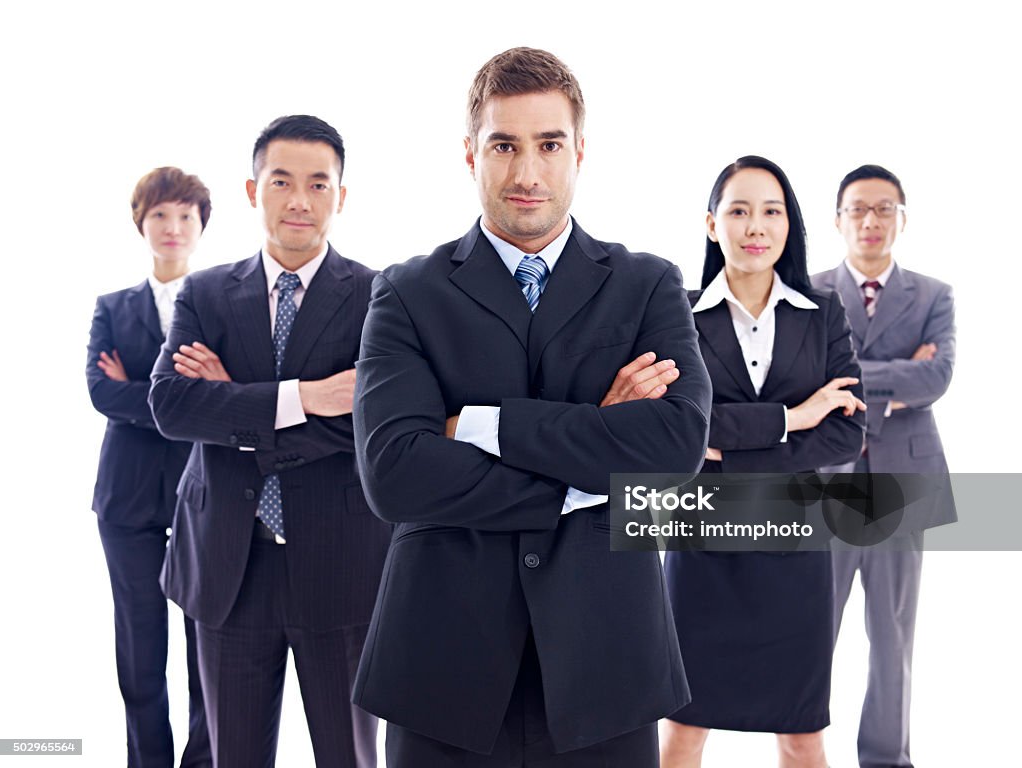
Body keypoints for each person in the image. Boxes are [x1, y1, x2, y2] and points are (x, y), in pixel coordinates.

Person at [350, 47, 712, 767]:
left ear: (579, 151)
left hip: (608, 658)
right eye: (503, 146)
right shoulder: (407, 292)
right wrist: (597, 448)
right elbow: (394, 474)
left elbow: (674, 449)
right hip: (442, 665)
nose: (526, 173)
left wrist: (482, 426)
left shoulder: (647, 285)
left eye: (548, 145)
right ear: (470, 153)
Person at [148, 115, 391, 768]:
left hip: (342, 567)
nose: (299, 201)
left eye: (319, 184)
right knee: (233, 756)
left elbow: (373, 422)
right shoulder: (203, 292)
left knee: (352, 756)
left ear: (342, 196)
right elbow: (171, 405)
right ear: (253, 191)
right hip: (230, 565)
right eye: (281, 181)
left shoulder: (378, 297)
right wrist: (304, 397)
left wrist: (235, 401)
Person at [660, 156, 866, 768]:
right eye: (739, 210)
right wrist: (795, 417)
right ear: (711, 223)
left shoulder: (823, 312)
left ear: (790, 224)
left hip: (793, 552)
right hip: (700, 549)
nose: (756, 226)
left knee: (802, 734)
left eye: (771, 211)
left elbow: (847, 436)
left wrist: (723, 444)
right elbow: (678, 424)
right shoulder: (678, 312)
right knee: (683, 729)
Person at [813, 164, 956, 768]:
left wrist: (850, 384)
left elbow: (938, 375)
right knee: (813, 629)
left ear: (902, 217)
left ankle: (886, 758)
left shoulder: (933, 294)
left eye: (884, 209)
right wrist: (900, 378)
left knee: (893, 632)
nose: (871, 221)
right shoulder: (810, 293)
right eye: (858, 209)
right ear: (838, 219)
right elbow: (806, 380)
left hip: (903, 478)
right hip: (825, 481)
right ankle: (801, 746)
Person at [86, 166, 212, 767]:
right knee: (139, 644)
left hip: (201, 494)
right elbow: (99, 393)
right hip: (126, 499)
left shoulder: (218, 302)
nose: (173, 227)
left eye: (185, 215)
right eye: (161, 214)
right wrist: (174, 398)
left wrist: (140, 391)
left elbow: (223, 396)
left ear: (200, 226)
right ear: (142, 222)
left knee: (206, 642)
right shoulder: (112, 307)